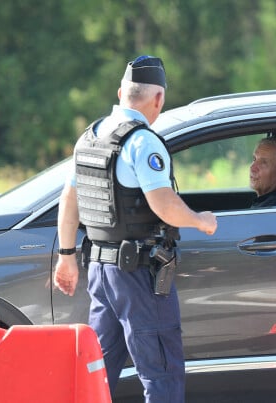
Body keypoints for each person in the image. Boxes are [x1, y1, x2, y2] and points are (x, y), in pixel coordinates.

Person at [54, 55, 217, 402]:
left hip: (100, 270)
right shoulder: (142, 142)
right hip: (138, 273)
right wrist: (200, 220)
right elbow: (164, 204)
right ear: (158, 98)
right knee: (161, 371)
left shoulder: (90, 137)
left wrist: (66, 255)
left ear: (120, 92)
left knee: (96, 370)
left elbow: (69, 200)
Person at [249, 133, 276, 208]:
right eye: (254, 159)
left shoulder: (275, 207)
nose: (252, 168)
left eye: (263, 163)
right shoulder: (267, 202)